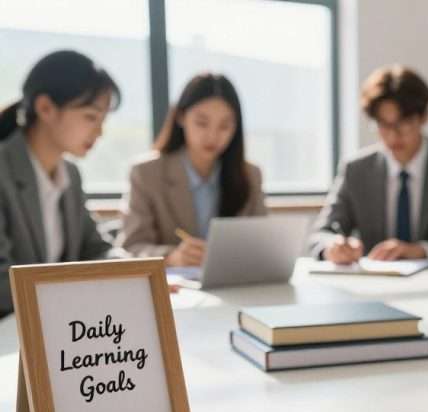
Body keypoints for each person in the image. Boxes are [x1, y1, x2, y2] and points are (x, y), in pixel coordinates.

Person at [308, 65, 428, 267]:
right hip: (375, 288)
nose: (393, 135)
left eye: (403, 123)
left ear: (424, 117)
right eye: (383, 124)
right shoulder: (356, 170)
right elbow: (321, 235)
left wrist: (421, 250)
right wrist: (334, 247)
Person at [0, 50, 122, 316]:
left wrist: (133, 277)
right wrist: (80, 290)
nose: (99, 132)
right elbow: (2, 286)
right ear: (46, 108)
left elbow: (95, 248)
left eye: (103, 120)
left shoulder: (70, 174)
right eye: (91, 117)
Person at [118, 73, 266, 266]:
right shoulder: (146, 173)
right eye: (202, 123)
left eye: (225, 126)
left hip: (234, 287)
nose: (212, 136)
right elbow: (132, 247)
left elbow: (263, 245)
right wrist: (172, 257)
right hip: (173, 290)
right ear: (181, 117)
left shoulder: (250, 175)